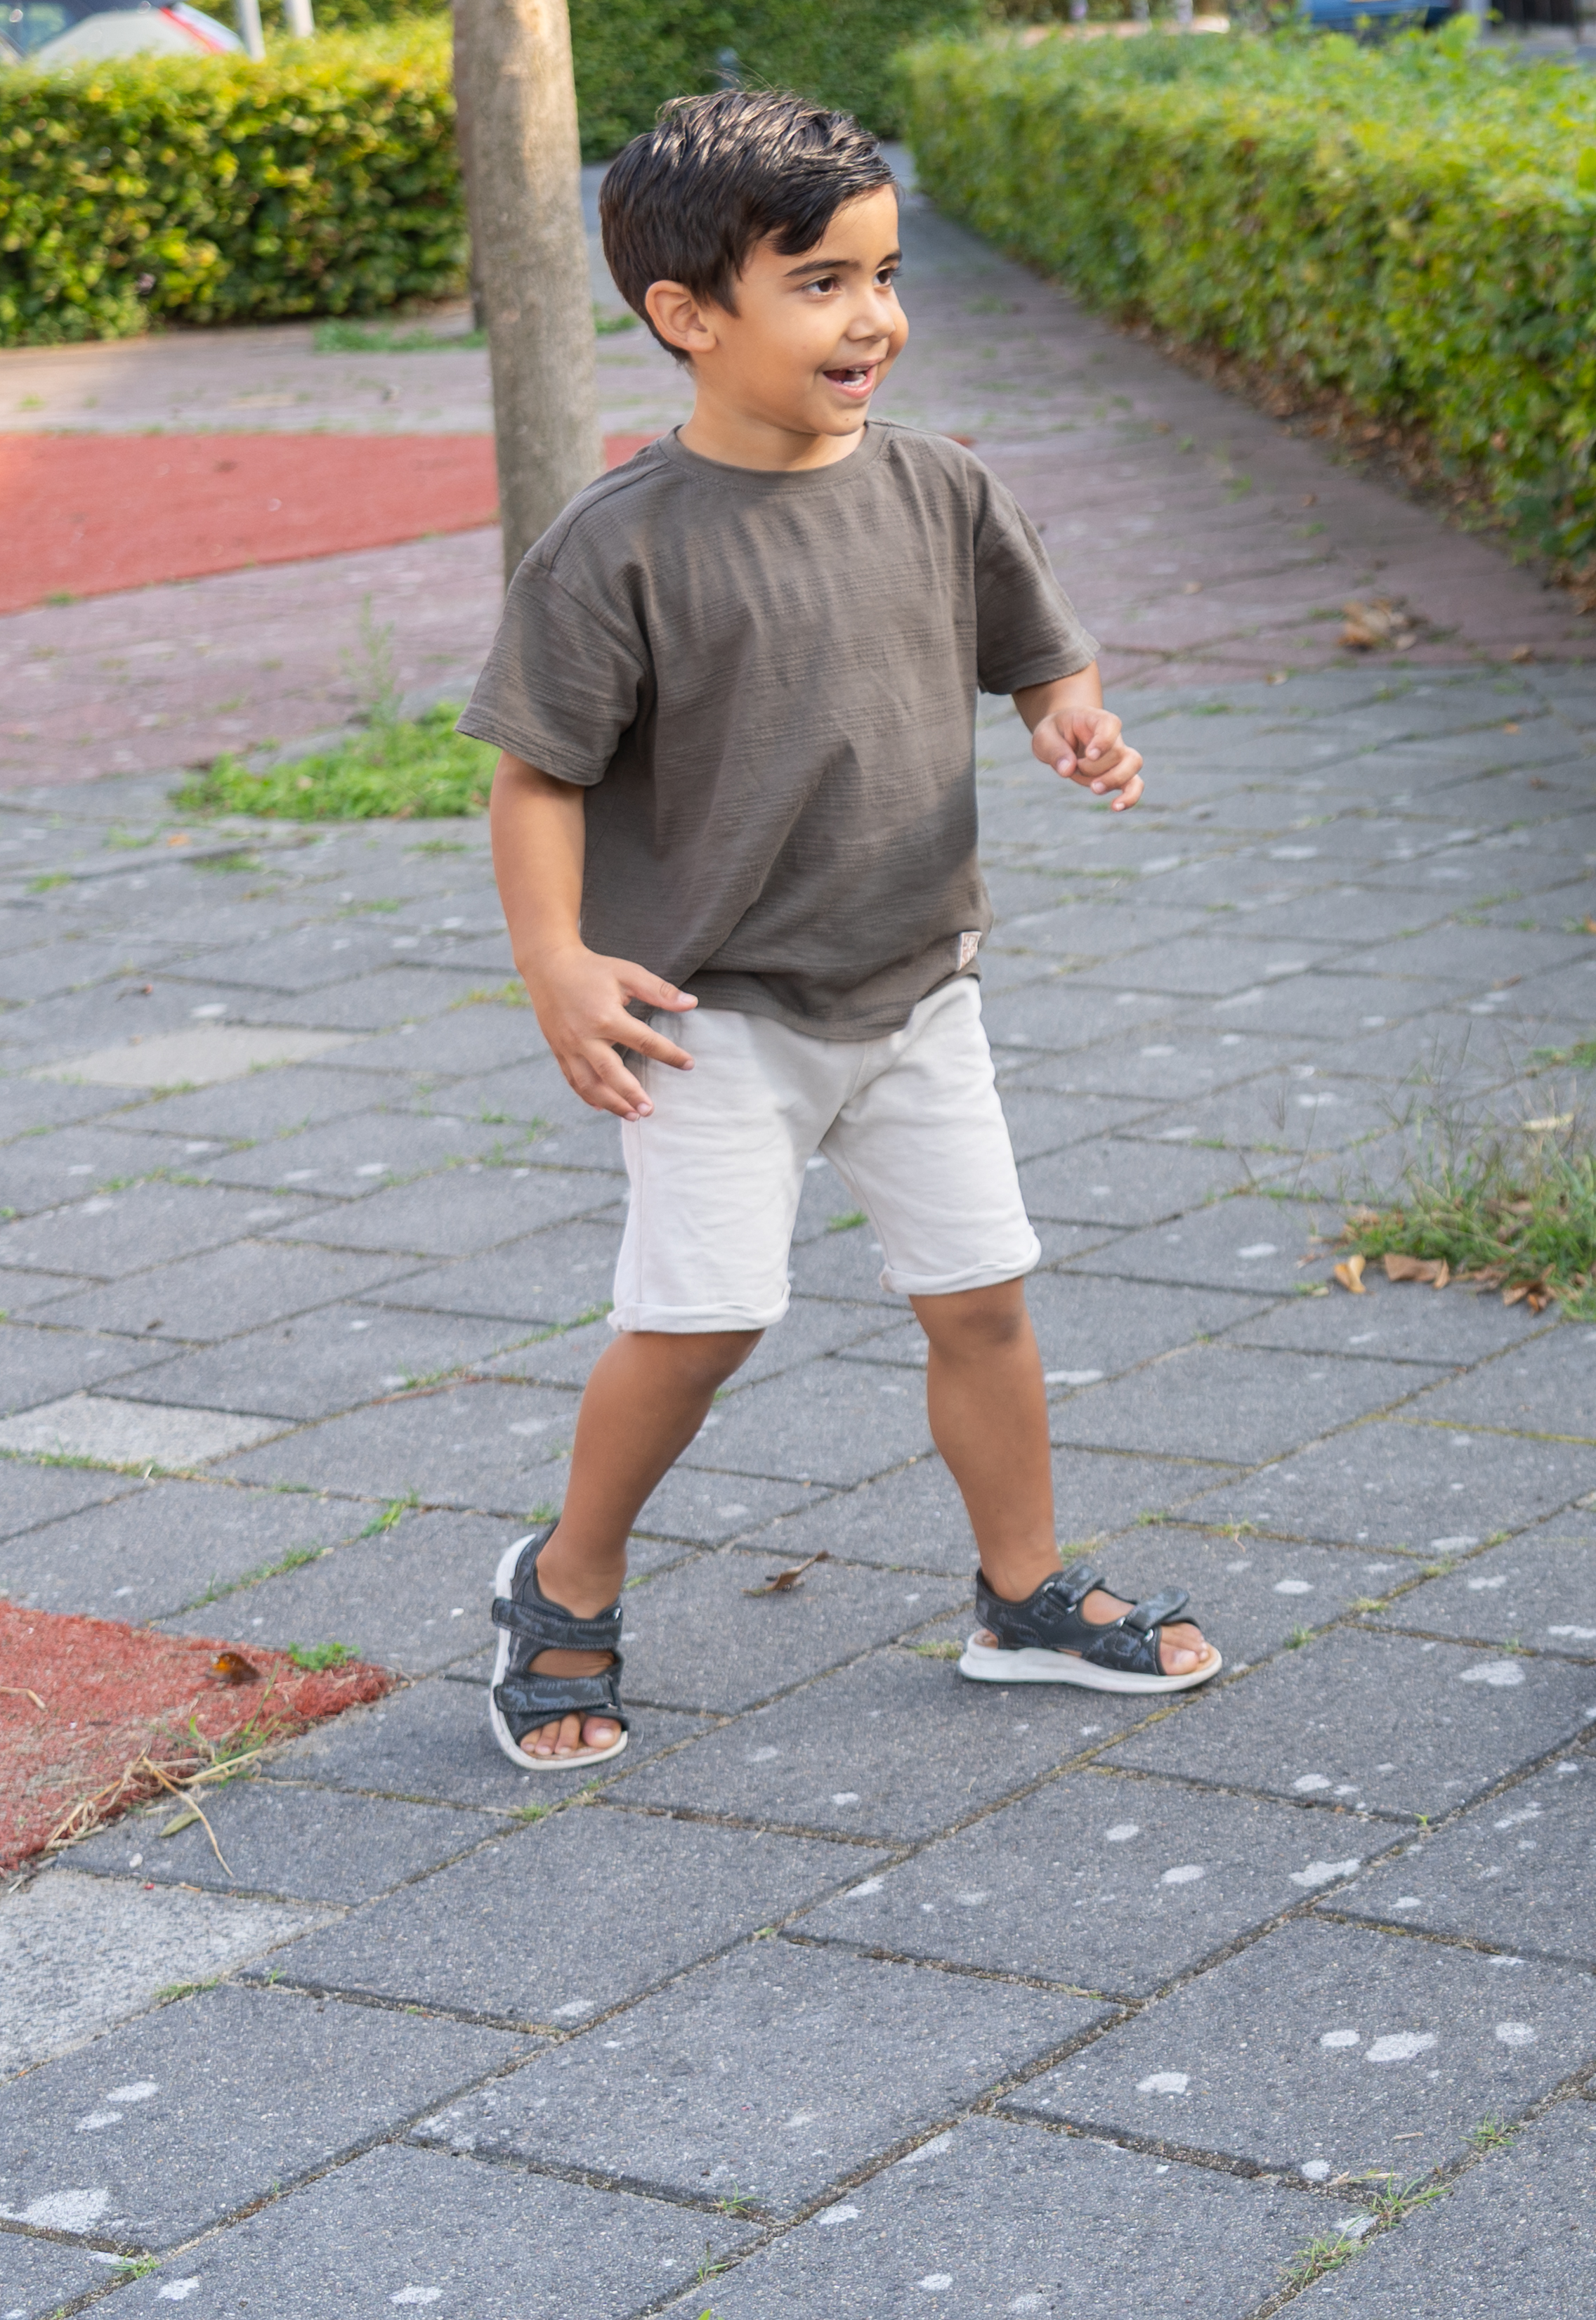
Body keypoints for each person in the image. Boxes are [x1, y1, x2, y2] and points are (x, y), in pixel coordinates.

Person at [458, 89, 1219, 1772]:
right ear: (688, 315)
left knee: (983, 1295)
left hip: (918, 988)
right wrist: (556, 962)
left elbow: (1043, 653)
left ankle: (1021, 1592)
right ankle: (563, 1580)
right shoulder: (616, 547)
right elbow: (535, 775)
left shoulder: (941, 487)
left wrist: (1070, 719)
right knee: (704, 1320)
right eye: (821, 282)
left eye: (884, 274)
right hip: (711, 1012)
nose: (874, 315)